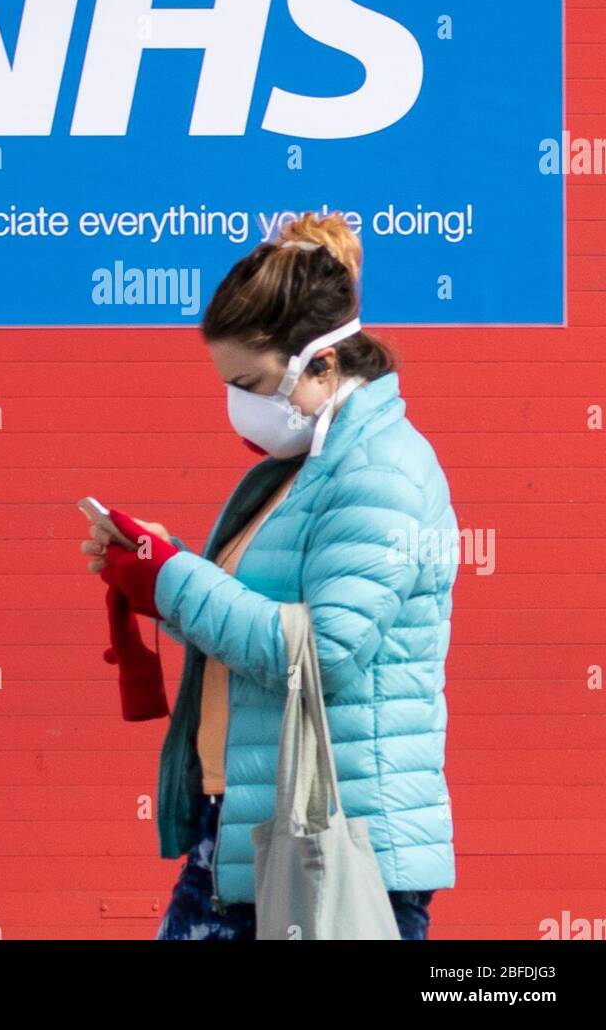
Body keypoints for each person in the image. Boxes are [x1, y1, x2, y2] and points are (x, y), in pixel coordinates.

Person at [81, 211, 458, 940]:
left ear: (320, 363)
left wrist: (175, 581)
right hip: (253, 831)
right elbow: (257, 615)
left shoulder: (380, 469)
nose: (238, 403)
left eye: (249, 381)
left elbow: (325, 655)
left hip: (338, 855)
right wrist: (163, 570)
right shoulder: (305, 468)